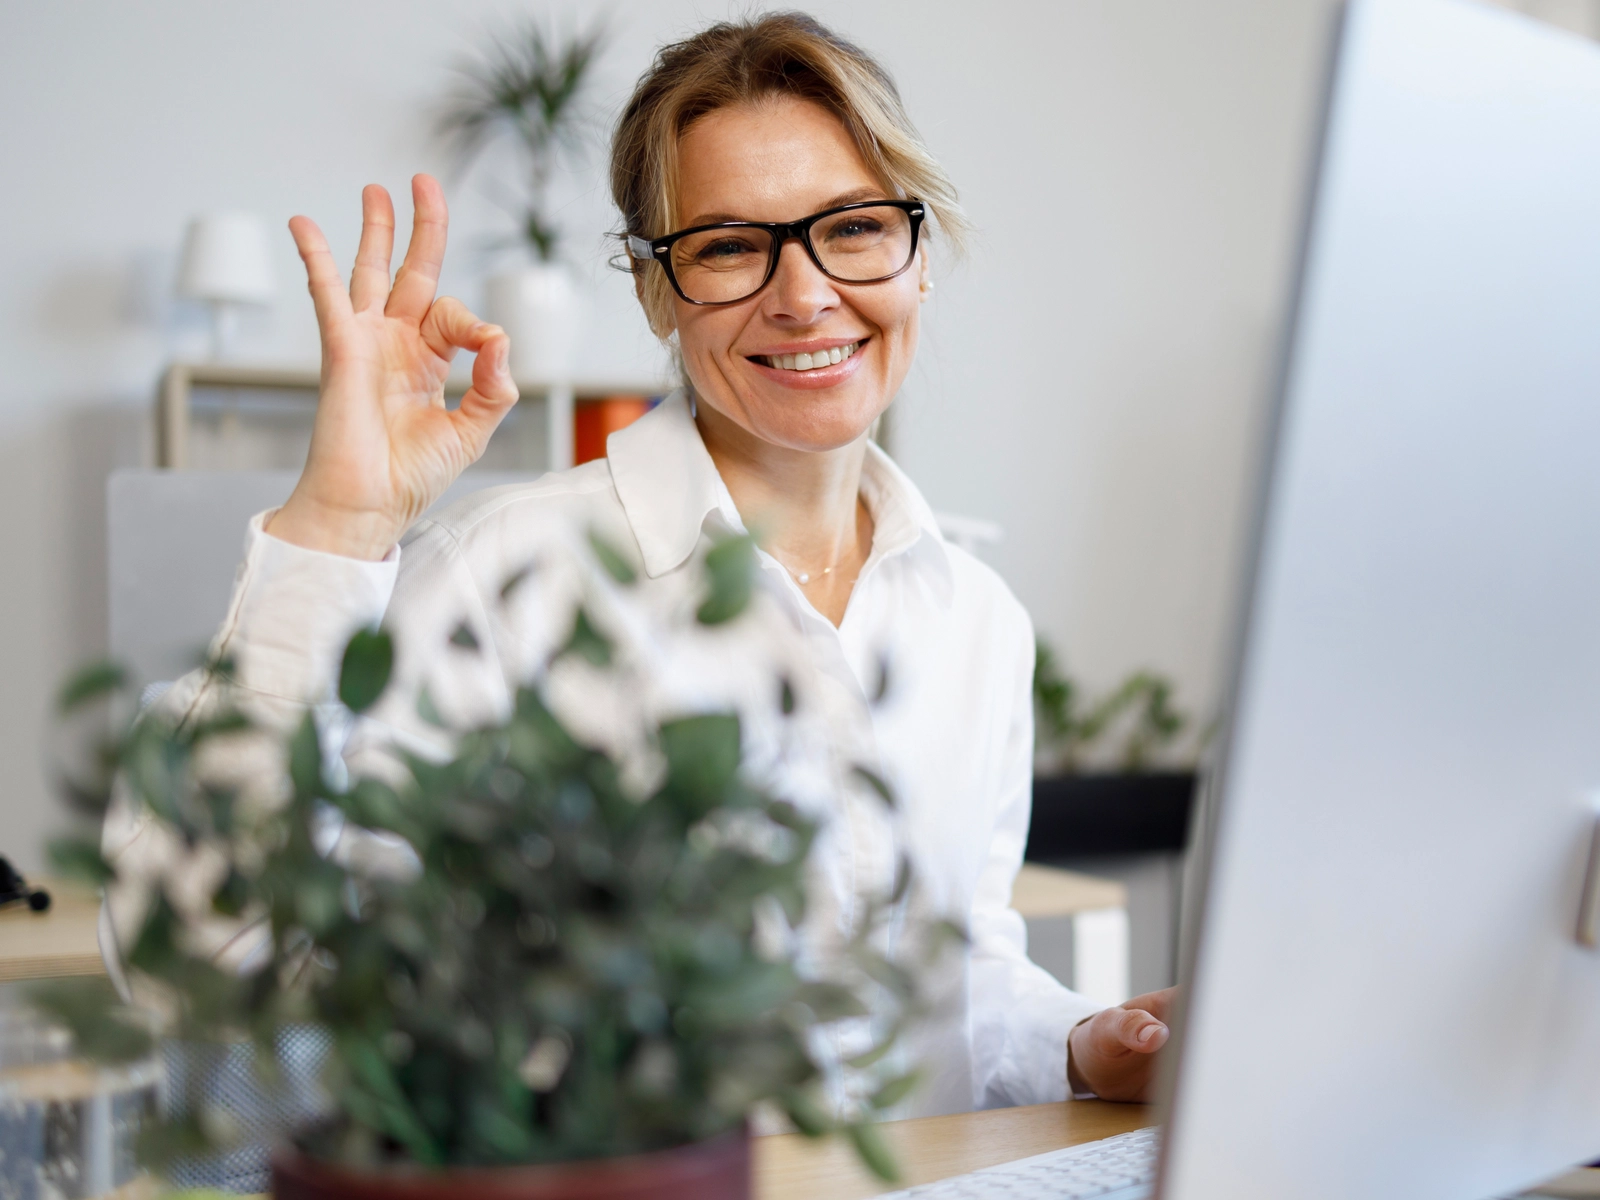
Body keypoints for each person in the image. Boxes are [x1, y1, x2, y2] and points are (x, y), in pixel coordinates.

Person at [106, 12, 1172, 1115]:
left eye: (852, 227)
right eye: (726, 246)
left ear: (918, 251)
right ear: (654, 289)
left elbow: (956, 977)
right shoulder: (507, 578)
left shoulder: (976, 619)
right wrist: (335, 520)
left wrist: (1083, 1042)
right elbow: (193, 950)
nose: (803, 294)